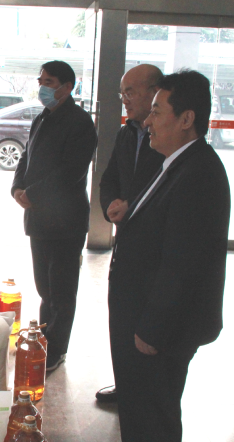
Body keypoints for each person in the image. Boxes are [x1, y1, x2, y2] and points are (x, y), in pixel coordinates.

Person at [107, 70, 230, 442]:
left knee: (153, 415)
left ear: (186, 119)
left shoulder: (199, 173)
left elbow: (183, 263)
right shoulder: (175, 163)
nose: (147, 120)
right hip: (141, 314)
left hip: (160, 328)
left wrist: (152, 328)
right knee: (139, 410)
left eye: (157, 112)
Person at [11, 60, 97, 371]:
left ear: (67, 87)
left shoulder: (80, 123)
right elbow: (26, 156)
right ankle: (44, 341)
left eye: (49, 82)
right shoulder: (42, 118)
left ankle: (56, 350)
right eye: (41, 81)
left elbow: (71, 172)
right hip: (38, 219)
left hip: (65, 222)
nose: (42, 87)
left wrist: (32, 194)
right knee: (44, 288)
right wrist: (17, 188)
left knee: (61, 291)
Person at [95, 64, 164, 410]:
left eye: (131, 92)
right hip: (124, 244)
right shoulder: (126, 133)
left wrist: (131, 206)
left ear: (155, 92)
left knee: (144, 325)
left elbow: (161, 189)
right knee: (120, 321)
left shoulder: (167, 138)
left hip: (152, 249)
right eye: (122, 93)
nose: (125, 99)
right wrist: (111, 206)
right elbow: (109, 178)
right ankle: (125, 385)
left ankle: (142, 392)